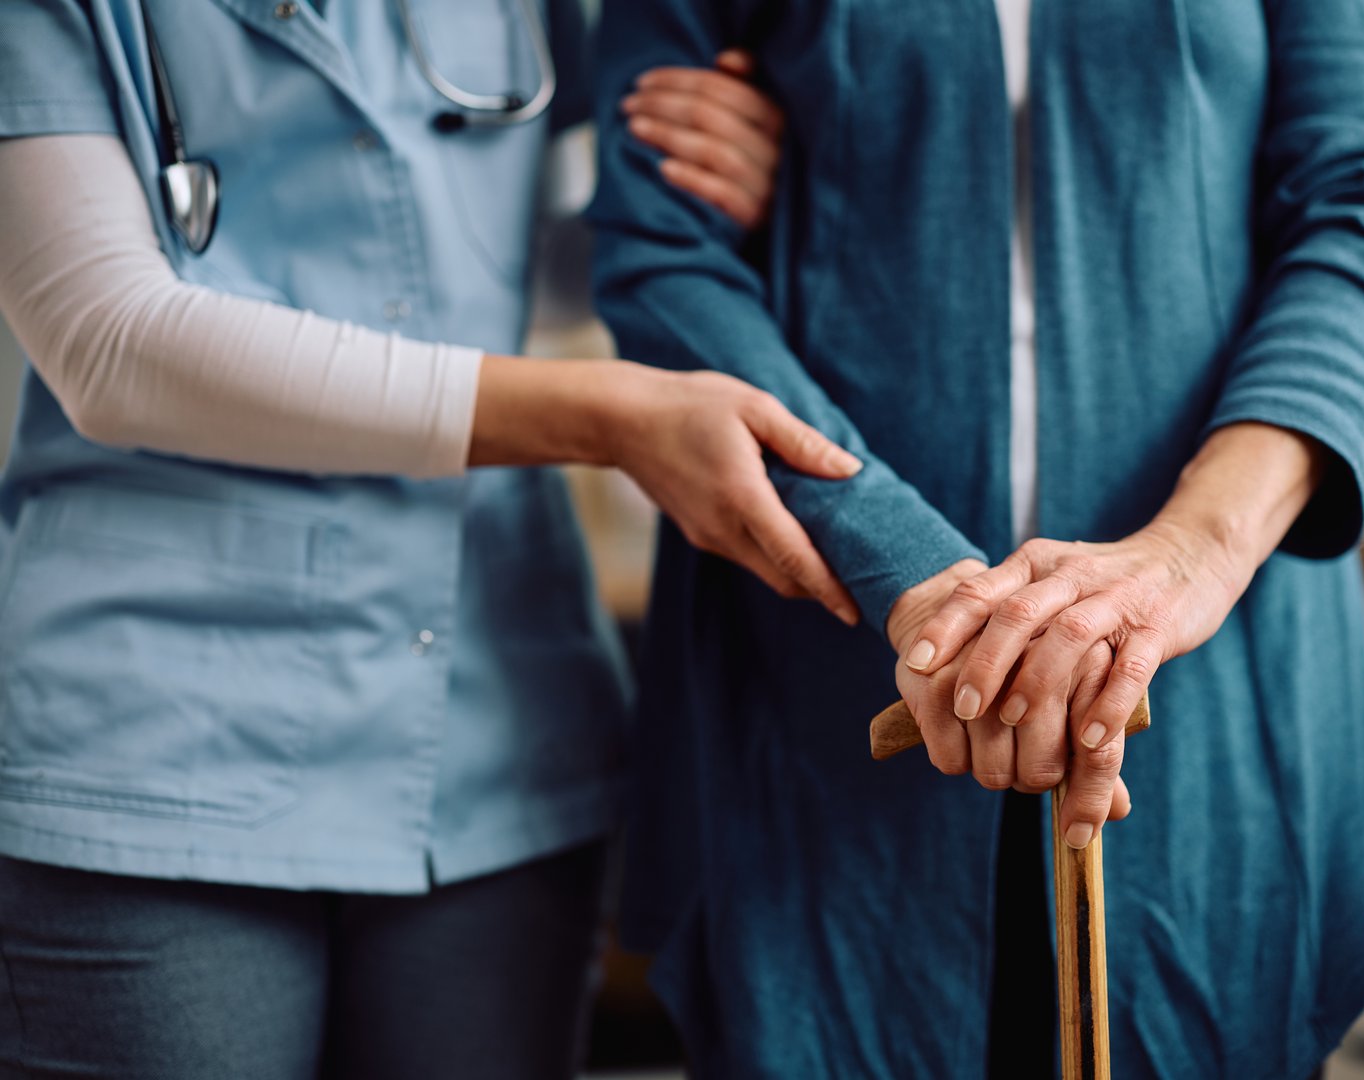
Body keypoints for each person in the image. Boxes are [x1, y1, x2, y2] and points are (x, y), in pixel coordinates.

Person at [589, 0, 1364, 1075]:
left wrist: (1191, 554)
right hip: (823, 668)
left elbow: (1360, 207)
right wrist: (904, 564)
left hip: (1218, 670)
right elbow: (659, 250)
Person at [0, 2, 831, 1077]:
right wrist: (605, 416)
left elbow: (494, 262)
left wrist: (704, 196)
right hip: (159, 749)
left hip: (488, 736)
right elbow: (111, 344)